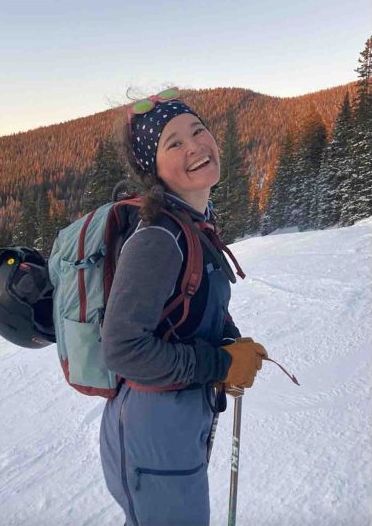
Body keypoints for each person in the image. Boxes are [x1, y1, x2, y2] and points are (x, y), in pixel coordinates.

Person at [98, 89, 267, 526]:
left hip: (175, 420)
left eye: (197, 130)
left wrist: (230, 344)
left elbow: (189, 309)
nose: (194, 145)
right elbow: (121, 350)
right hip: (153, 427)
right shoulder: (158, 237)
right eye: (173, 143)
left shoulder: (193, 223)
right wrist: (220, 363)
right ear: (151, 169)